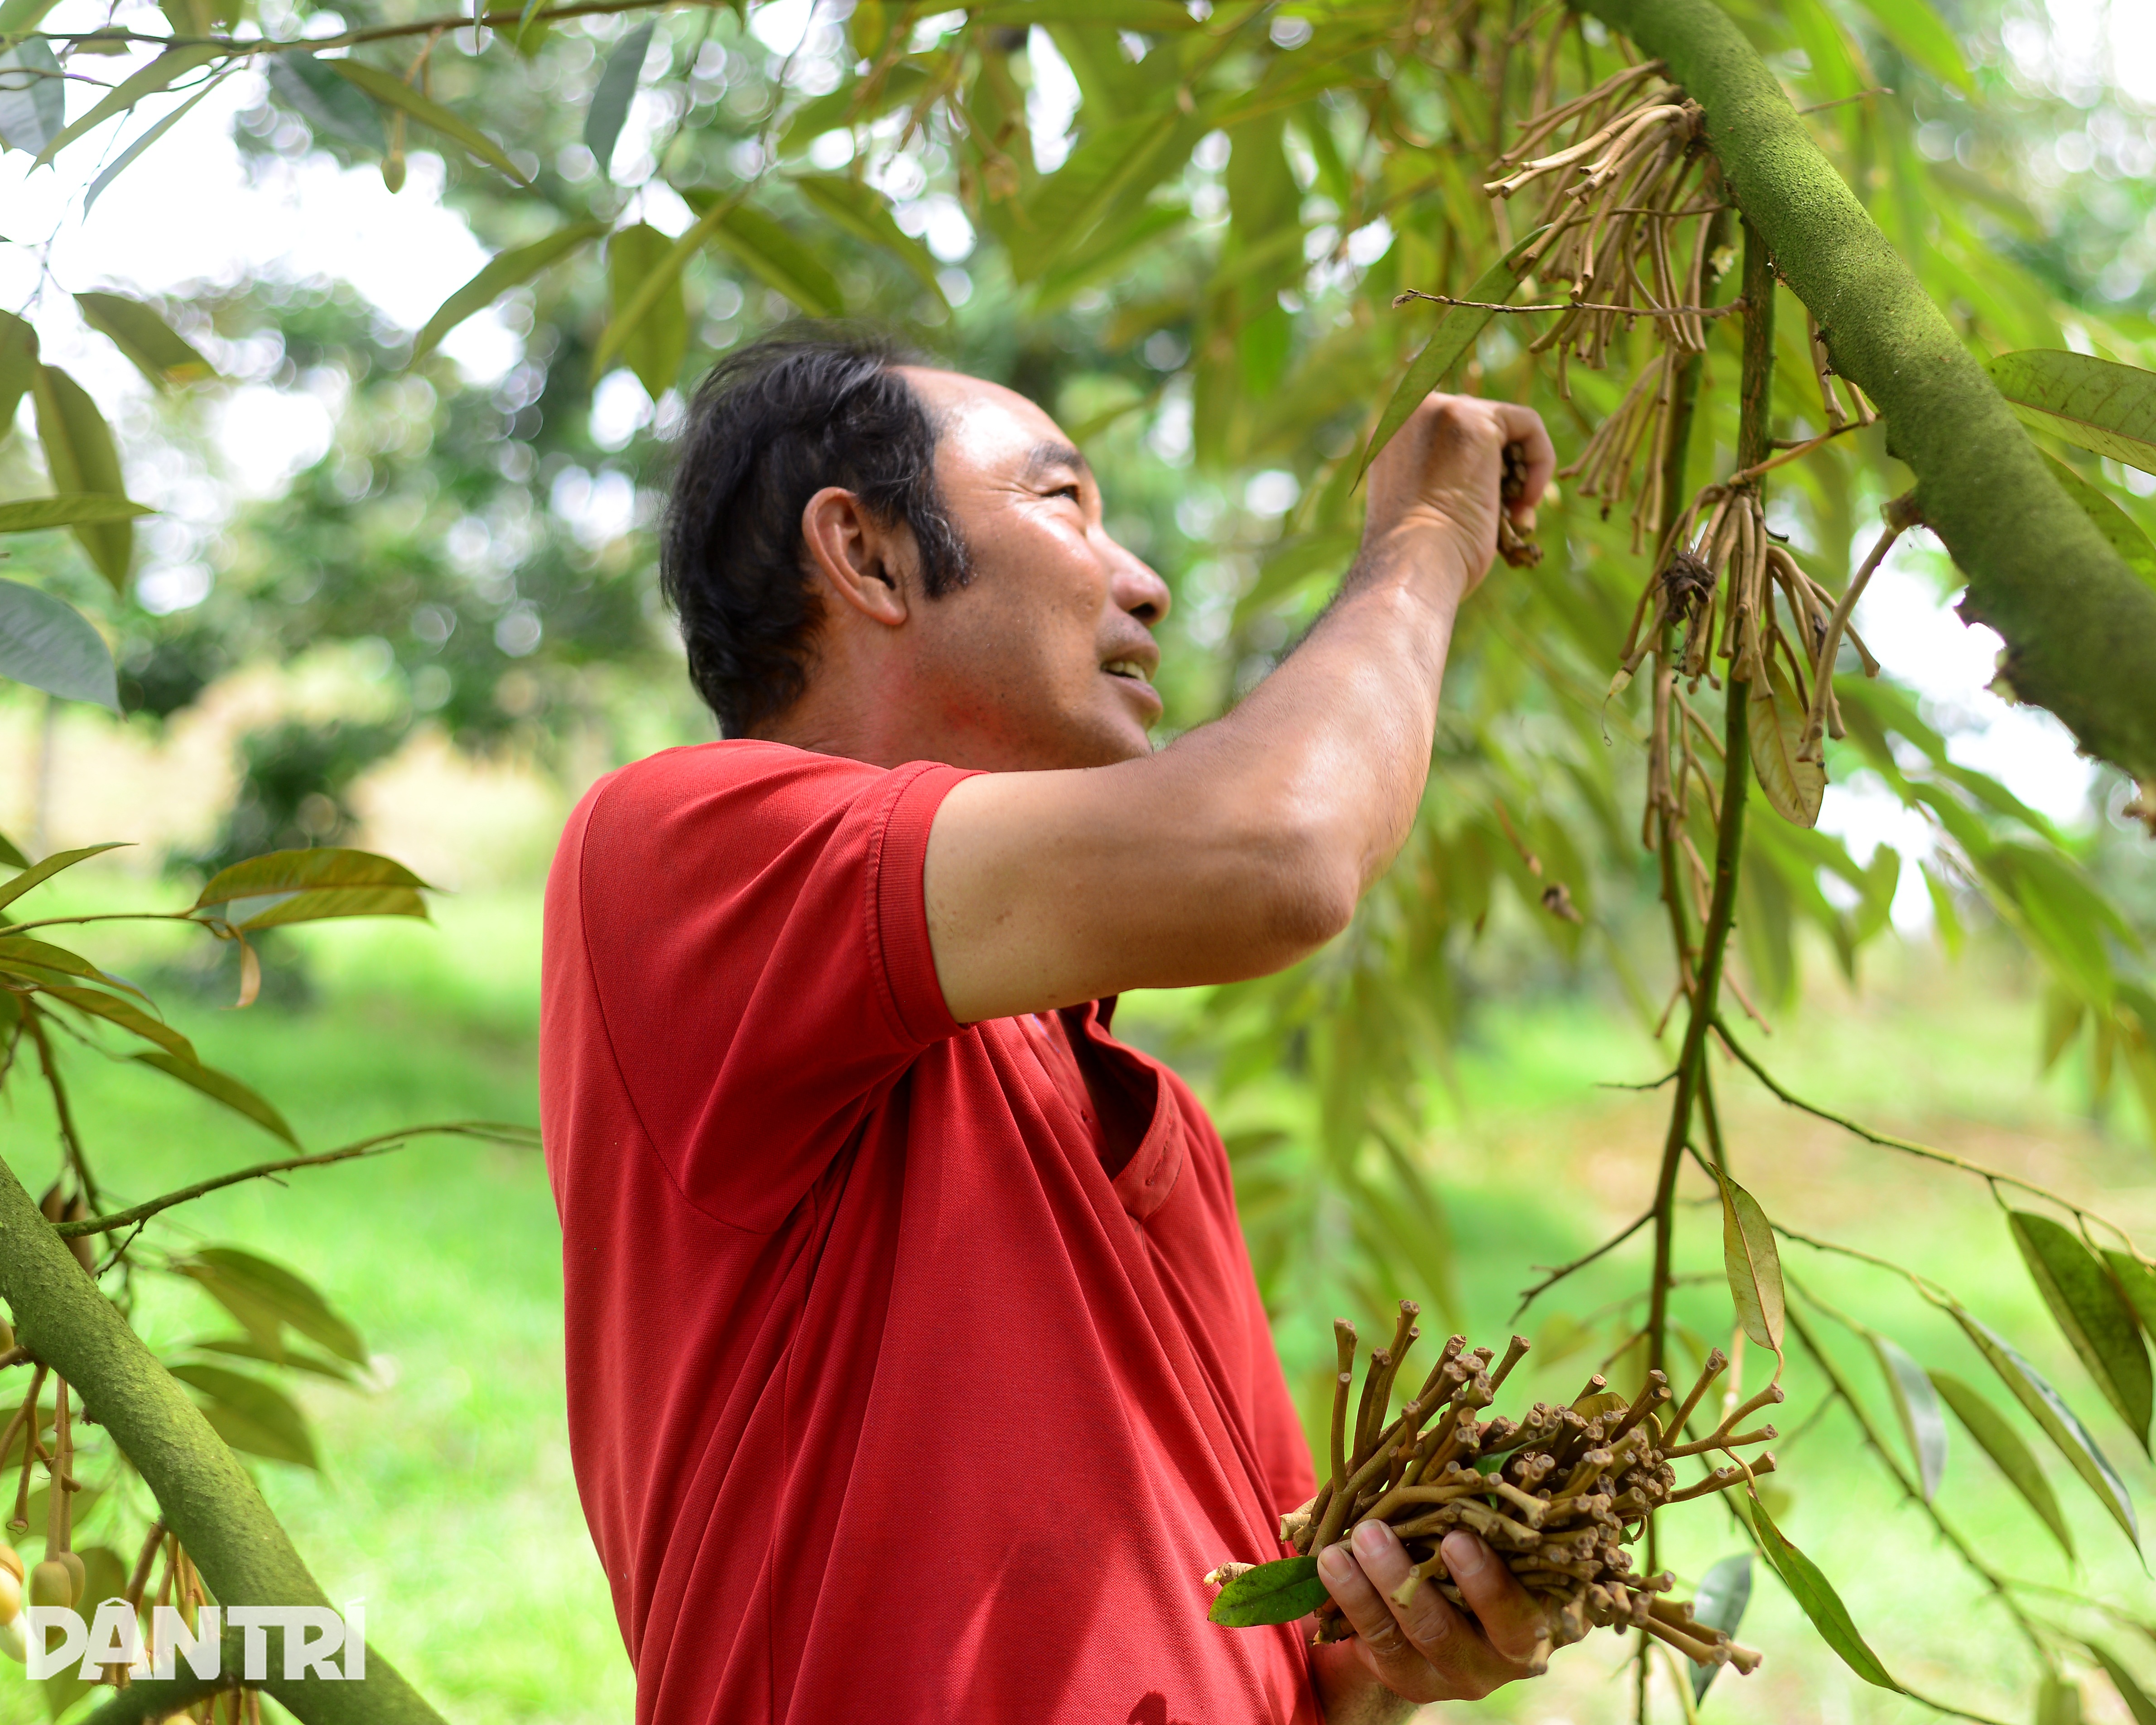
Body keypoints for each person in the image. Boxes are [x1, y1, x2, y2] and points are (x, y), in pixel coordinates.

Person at [539, 326, 1561, 1725]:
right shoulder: (678, 851)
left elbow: (1287, 1642)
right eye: (1064, 503)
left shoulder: (1143, 1115)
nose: (1141, 579)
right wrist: (1428, 536)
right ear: (869, 555)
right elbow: (1281, 854)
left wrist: (1399, 1644)